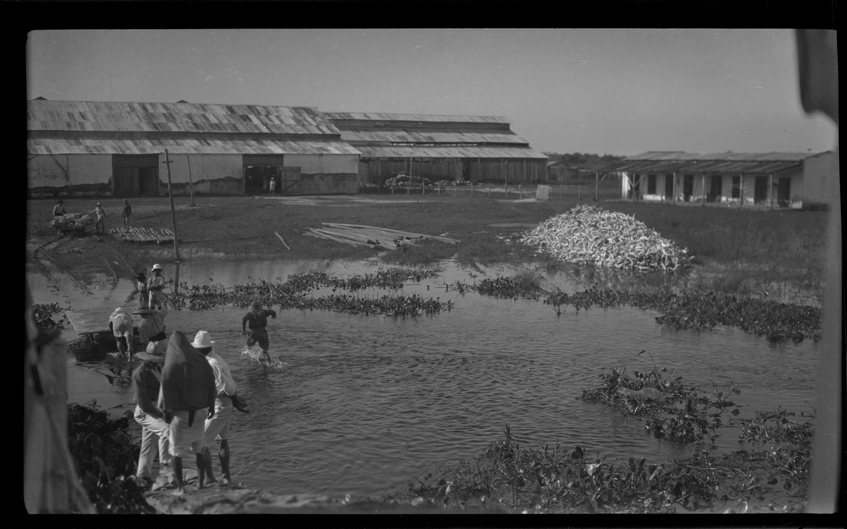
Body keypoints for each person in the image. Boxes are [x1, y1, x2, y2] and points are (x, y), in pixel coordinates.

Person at [159, 331, 217, 495]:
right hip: (198, 412)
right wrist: (211, 405)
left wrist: (165, 410)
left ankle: (180, 488)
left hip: (180, 415)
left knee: (175, 451)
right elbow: (211, 382)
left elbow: (166, 383)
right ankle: (201, 483)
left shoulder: (172, 364)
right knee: (200, 448)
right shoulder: (200, 361)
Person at [193, 331, 237, 486]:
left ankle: (209, 477)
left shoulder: (212, 364)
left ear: (200, 349)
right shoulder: (216, 359)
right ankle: (225, 476)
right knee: (221, 439)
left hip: (220, 405)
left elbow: (227, 388)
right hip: (223, 404)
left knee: (200, 441)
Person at [132, 341, 172, 487]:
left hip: (157, 408)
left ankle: (142, 476)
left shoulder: (159, 367)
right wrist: (161, 414)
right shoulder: (139, 374)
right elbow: (143, 403)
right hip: (145, 412)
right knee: (167, 430)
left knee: (149, 444)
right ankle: (165, 469)